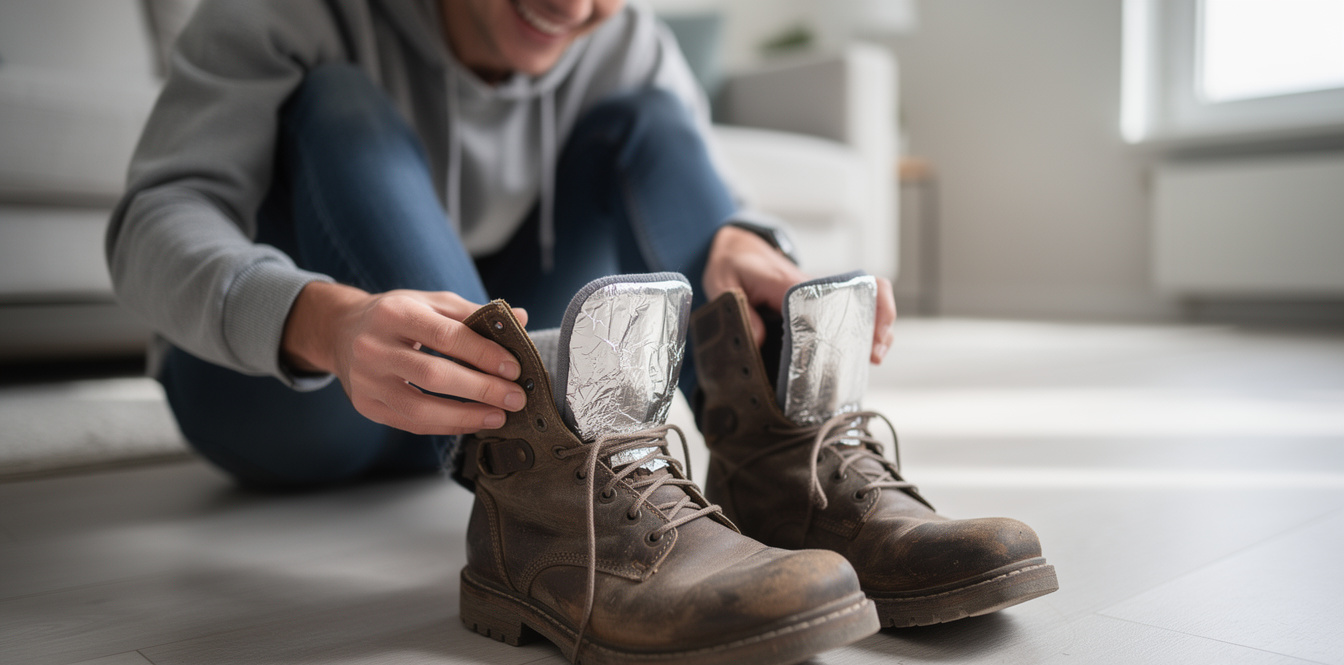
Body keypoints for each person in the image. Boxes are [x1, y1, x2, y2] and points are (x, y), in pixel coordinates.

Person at [106, 0, 898, 489]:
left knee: (653, 119)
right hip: (284, 407)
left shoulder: (626, 47)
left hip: (489, 400)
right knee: (339, 102)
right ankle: (538, 496)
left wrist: (742, 241)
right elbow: (152, 218)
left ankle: (781, 470)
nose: (574, 3)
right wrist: (328, 323)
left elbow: (712, 195)